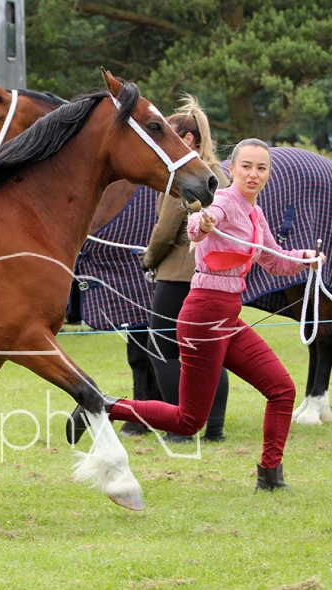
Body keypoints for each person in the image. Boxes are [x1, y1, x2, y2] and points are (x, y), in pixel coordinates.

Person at [68, 138, 326, 491]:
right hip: (204, 315)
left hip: (228, 316)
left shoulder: (255, 212)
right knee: (188, 421)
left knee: (281, 390)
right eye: (246, 166)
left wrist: (305, 258)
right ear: (231, 169)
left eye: (261, 168)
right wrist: (202, 224)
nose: (253, 174)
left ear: (268, 174)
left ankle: (270, 477)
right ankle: (105, 406)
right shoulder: (223, 201)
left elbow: (273, 260)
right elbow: (199, 225)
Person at [139, 95, 230, 443]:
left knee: (161, 347)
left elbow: (164, 231)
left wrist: (148, 260)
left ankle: (180, 426)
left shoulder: (183, 177)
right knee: (210, 351)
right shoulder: (219, 175)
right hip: (214, 275)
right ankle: (215, 428)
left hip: (178, 274)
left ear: (188, 140)